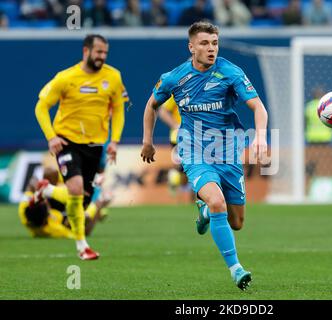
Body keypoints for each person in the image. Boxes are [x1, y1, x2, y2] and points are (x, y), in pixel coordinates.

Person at [141, 21, 268, 290]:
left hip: (228, 151)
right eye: (204, 43)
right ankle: (236, 269)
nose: (211, 49)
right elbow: (151, 105)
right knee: (217, 201)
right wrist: (147, 141)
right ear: (191, 47)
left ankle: (205, 212)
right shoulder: (175, 77)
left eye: (214, 43)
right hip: (194, 150)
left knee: (237, 223)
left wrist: (261, 135)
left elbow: (258, 106)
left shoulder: (230, 71)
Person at [35, 34, 126, 260]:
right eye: (98, 52)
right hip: (67, 142)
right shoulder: (66, 78)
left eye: (105, 53)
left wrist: (114, 141)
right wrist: (51, 137)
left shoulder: (113, 77)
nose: (102, 57)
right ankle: (82, 246)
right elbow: (41, 107)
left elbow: (119, 111)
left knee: (83, 200)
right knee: (75, 189)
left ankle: (45, 190)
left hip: (95, 146)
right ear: (86, 51)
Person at [19, 168, 109, 239]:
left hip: (58, 199)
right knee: (84, 221)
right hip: (66, 212)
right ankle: (98, 205)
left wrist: (44, 200)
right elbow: (77, 234)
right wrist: (92, 210)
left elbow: (32, 181)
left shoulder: (24, 207)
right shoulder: (53, 229)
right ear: (45, 221)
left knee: (50, 172)